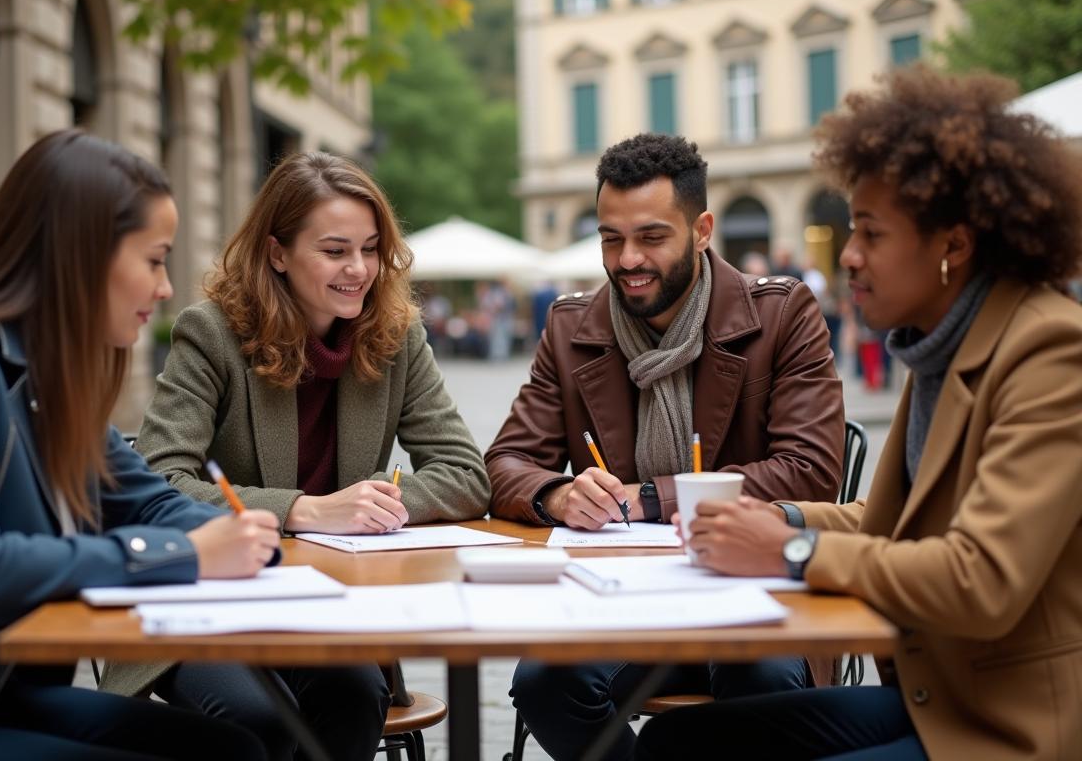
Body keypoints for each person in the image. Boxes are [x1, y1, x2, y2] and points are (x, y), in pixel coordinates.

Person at [637, 66, 1082, 761]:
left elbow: (983, 579)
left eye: (870, 234)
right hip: (940, 697)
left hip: (1015, 726)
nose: (847, 256)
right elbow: (900, 522)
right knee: (674, 741)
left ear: (954, 245)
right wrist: (779, 519)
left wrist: (790, 550)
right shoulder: (948, 340)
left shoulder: (1050, 348)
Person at [0, 130, 280, 761]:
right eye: (153, 259)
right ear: (83, 252)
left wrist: (242, 540)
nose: (165, 288)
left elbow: (148, 503)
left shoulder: (47, 374)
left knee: (240, 748)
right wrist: (184, 554)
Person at [101, 150, 490, 760]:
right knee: (263, 721)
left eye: (370, 248)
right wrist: (306, 509)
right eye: (335, 251)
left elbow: (466, 474)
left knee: (355, 692)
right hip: (211, 603)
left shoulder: (396, 334)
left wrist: (374, 504)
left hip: (328, 604)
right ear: (277, 253)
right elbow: (156, 480)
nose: (359, 269)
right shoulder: (212, 334)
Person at [486, 133, 845, 761]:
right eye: (610, 238)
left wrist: (649, 498)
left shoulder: (783, 312)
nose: (627, 259)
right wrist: (558, 491)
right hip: (620, 597)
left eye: (651, 237)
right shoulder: (571, 327)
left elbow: (810, 473)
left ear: (703, 229)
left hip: (751, 586)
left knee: (762, 682)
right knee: (543, 683)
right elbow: (507, 464)